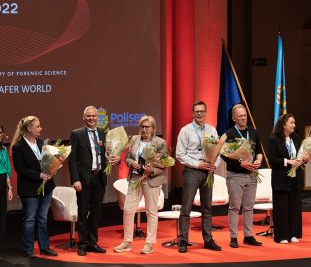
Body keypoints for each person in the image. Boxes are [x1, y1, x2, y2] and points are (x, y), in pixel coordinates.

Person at [68, 106, 120, 256]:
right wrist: (75, 179)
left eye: (94, 116)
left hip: (99, 178)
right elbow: (72, 159)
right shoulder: (76, 134)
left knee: (96, 213)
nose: (91, 118)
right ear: (83, 118)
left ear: (98, 118)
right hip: (83, 179)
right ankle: (82, 244)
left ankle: (92, 242)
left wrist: (115, 159)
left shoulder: (104, 133)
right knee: (83, 212)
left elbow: (110, 154)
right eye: (88, 116)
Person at [113, 115, 166, 254]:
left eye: (147, 127)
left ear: (153, 128)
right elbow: (128, 158)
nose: (144, 129)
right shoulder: (134, 139)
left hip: (150, 179)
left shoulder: (160, 142)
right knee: (128, 209)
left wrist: (152, 170)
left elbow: (164, 165)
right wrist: (132, 163)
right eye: (142, 127)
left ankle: (149, 243)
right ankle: (127, 242)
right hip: (135, 178)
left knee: (151, 212)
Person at [176, 101, 221, 253]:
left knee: (207, 208)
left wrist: (214, 164)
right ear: (193, 114)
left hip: (208, 171)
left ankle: (208, 239)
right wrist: (197, 164)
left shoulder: (212, 130)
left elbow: (218, 151)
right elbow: (180, 154)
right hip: (192, 172)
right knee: (186, 207)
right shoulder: (185, 130)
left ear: (206, 112)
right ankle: (183, 240)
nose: (200, 114)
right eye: (197, 111)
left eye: (202, 111)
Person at [11, 117, 58, 258]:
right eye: (37, 127)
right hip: (29, 188)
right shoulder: (18, 147)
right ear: (29, 128)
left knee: (43, 218)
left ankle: (44, 247)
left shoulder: (43, 142)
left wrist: (53, 169)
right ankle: (28, 248)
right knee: (30, 219)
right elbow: (20, 169)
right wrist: (39, 175)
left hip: (47, 186)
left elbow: (50, 161)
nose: (40, 129)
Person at [221, 104, 263, 248]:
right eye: (240, 116)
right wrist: (240, 162)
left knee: (249, 207)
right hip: (235, 175)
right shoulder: (229, 134)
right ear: (234, 118)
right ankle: (233, 237)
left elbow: (259, 150)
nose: (243, 118)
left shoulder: (253, 132)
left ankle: (248, 235)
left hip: (252, 174)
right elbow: (224, 155)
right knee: (234, 207)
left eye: (244, 115)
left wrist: (259, 160)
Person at [268, 113, 309, 244]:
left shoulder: (296, 139)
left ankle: (294, 234)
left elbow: (300, 157)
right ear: (283, 125)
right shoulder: (274, 140)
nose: (294, 125)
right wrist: (288, 161)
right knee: (281, 208)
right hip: (281, 178)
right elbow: (272, 159)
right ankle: (281, 236)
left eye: (294, 123)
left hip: (295, 179)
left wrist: (305, 160)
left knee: (295, 207)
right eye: (291, 123)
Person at [0, 126, 13, 261]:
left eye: (0, 132)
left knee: (2, 215)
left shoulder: (3, 149)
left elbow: (6, 169)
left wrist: (9, 188)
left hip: (2, 181)